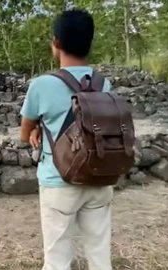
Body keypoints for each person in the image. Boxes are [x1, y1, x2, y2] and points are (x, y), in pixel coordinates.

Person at [19, 9, 114, 270]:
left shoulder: (41, 85)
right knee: (99, 253)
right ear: (90, 44)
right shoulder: (104, 84)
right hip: (100, 177)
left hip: (58, 180)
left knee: (57, 258)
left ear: (56, 43)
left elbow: (24, 132)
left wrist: (37, 129)